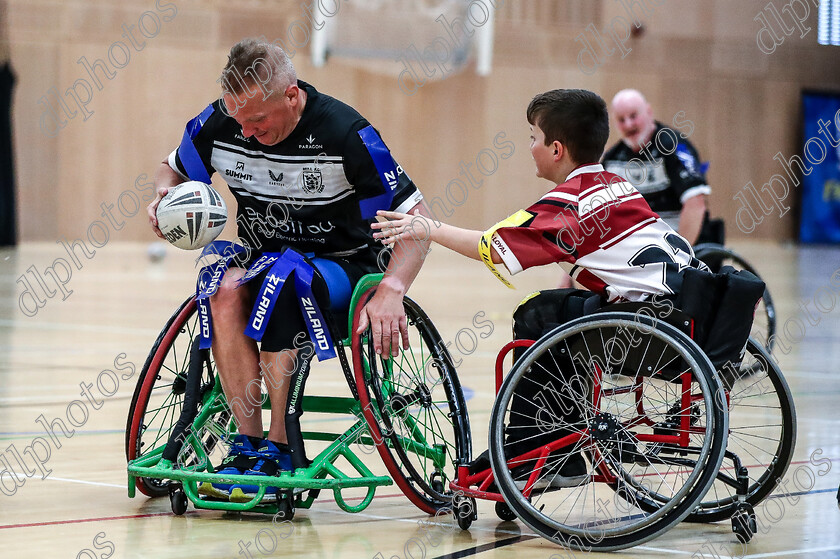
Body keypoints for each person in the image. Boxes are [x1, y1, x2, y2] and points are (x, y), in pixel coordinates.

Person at [372, 88, 709, 489]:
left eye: (533, 137)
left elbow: (492, 248)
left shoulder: (571, 201)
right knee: (563, 306)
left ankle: (529, 448)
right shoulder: (618, 185)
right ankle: (557, 441)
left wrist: (430, 228)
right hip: (690, 315)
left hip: (650, 333)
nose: (529, 147)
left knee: (536, 313)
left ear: (556, 149)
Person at [146, 38, 431, 501]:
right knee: (220, 285)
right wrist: (164, 199)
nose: (248, 133)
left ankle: (281, 444)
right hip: (266, 257)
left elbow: (416, 223)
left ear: (292, 96)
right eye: (240, 122)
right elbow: (171, 169)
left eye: (258, 121)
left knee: (285, 282)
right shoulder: (224, 123)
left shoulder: (345, 134)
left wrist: (393, 288)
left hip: (344, 264)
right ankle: (249, 443)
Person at [602, 89, 712, 245]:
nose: (628, 124)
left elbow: (696, 202)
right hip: (634, 250)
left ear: (649, 112)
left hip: (677, 245)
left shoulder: (675, 146)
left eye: (633, 116)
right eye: (621, 119)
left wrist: (680, 255)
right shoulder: (611, 159)